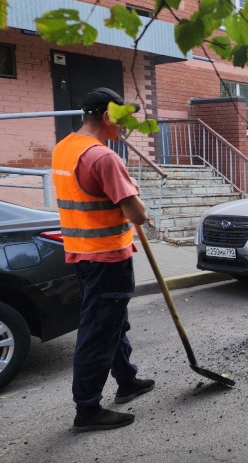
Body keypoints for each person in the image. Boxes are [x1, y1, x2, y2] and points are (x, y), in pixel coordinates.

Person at [52, 87, 154, 432]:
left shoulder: (64, 148)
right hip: (108, 259)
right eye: (123, 120)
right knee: (98, 330)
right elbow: (135, 213)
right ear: (108, 117)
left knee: (112, 322)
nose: (125, 128)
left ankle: (127, 380)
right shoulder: (104, 157)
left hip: (82, 255)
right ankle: (88, 410)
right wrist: (138, 205)